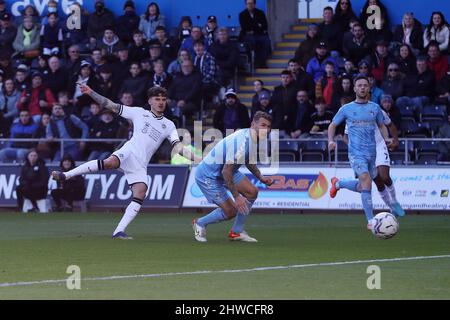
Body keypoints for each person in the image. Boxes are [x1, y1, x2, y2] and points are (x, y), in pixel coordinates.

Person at [52, 85, 199, 239]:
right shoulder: (139, 113)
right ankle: (66, 175)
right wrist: (91, 93)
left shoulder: (169, 124)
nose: (161, 102)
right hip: (129, 152)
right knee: (109, 163)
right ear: (150, 101)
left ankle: (118, 231)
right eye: (157, 99)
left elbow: (178, 147)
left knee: (141, 192)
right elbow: (110, 105)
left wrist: (198, 159)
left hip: (141, 163)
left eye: (163, 99)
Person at [192, 111, 274, 242]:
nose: (266, 129)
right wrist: (237, 197)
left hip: (226, 170)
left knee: (252, 192)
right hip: (208, 175)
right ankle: (200, 223)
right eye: (263, 125)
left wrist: (260, 177)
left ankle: (237, 232)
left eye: (268, 126)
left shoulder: (252, 137)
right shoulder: (243, 142)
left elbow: (248, 160)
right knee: (231, 211)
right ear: (253, 124)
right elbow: (226, 172)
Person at [327, 75, 394, 231]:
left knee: (362, 186)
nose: (362, 87)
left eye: (365, 85)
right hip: (356, 153)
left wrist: (386, 139)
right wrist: (330, 140)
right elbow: (332, 125)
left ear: (369, 88)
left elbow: (382, 125)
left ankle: (338, 183)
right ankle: (371, 221)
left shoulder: (375, 108)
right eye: (359, 85)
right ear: (355, 88)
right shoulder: (346, 108)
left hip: (372, 153)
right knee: (366, 181)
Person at [342, 97, 404, 216]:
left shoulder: (377, 110)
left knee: (384, 177)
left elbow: (391, 125)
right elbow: (345, 137)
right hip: (363, 152)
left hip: (379, 146)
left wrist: (395, 140)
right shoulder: (351, 115)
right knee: (378, 182)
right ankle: (391, 207)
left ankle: (395, 202)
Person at [239, 0, 271, 68]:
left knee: (266, 41)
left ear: (254, 4)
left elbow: (265, 26)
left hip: (259, 35)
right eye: (248, 3)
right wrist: (258, 25)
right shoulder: (242, 14)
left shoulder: (260, 13)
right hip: (247, 35)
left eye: (251, 3)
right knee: (253, 41)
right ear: (246, 4)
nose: (250, 5)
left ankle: (262, 63)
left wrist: (253, 28)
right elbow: (245, 27)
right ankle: (253, 63)